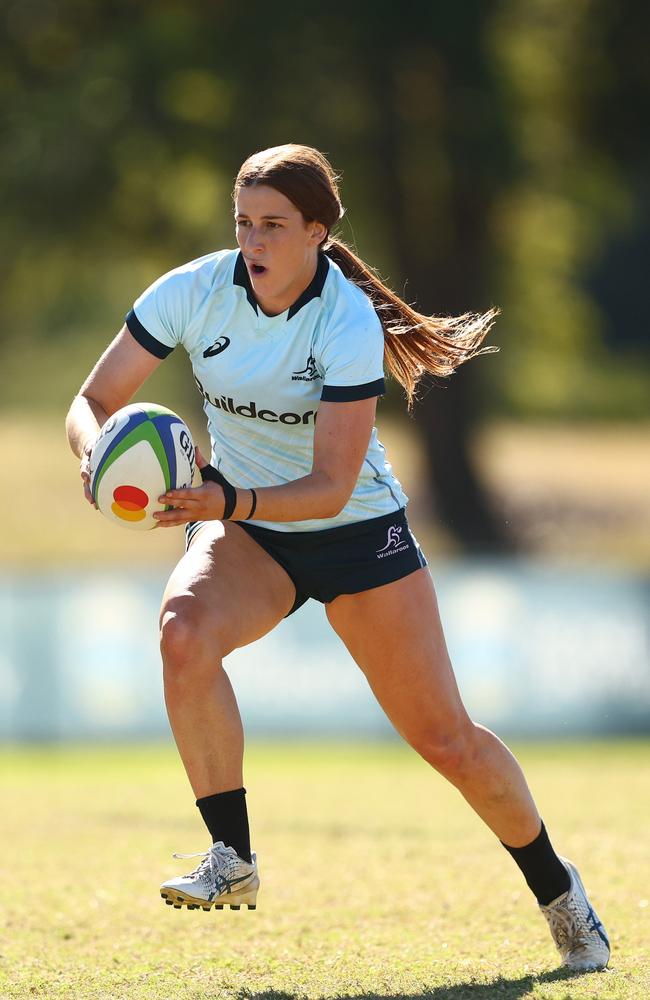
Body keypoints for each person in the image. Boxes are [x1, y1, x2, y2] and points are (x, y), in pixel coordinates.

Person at [66, 143, 609, 970]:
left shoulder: (345, 320)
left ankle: (559, 892)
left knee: (447, 742)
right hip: (249, 532)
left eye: (275, 226)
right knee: (182, 630)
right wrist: (92, 456)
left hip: (356, 535)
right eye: (244, 222)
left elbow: (327, 486)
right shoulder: (193, 291)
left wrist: (222, 501)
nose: (254, 241)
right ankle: (232, 858)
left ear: (317, 233)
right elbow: (94, 401)